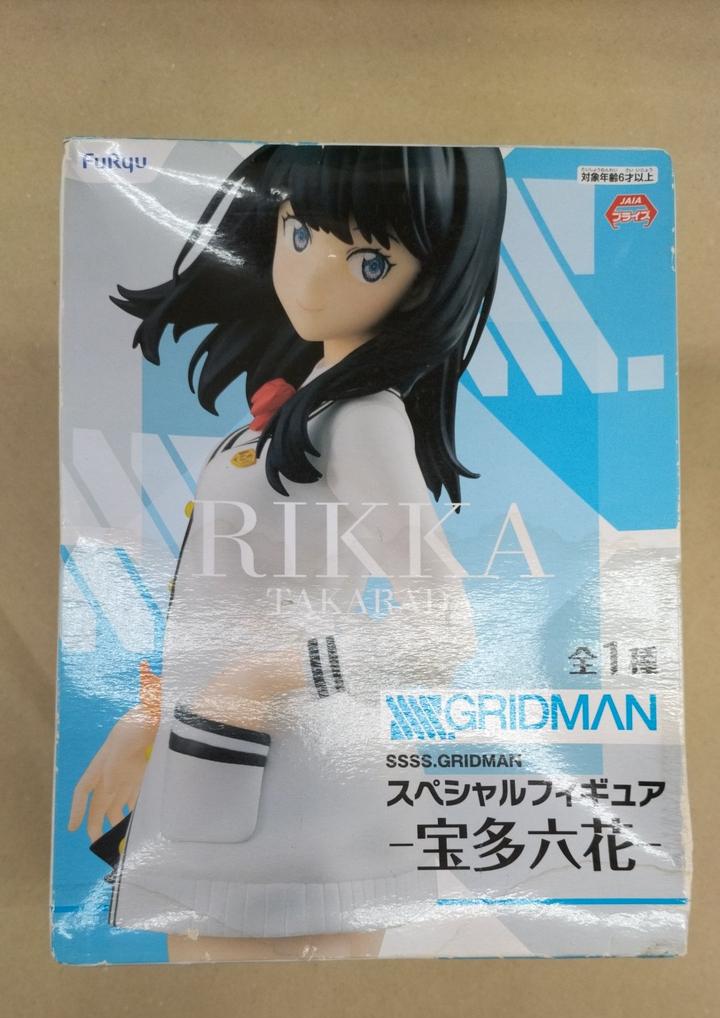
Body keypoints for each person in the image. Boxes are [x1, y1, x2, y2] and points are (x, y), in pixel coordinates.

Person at [68, 144, 507, 962]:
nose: (311, 279)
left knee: (277, 1016)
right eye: (299, 234)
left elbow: (444, 632)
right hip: (213, 758)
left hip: (303, 784)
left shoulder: (362, 419)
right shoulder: (288, 413)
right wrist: (152, 715)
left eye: (369, 261)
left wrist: (268, 674)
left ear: (428, 282)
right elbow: (221, 599)